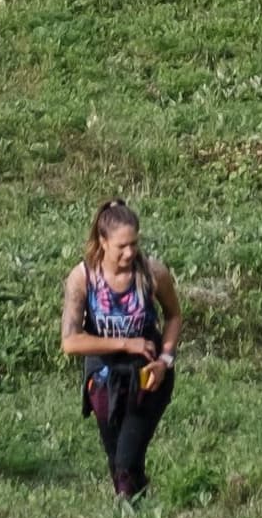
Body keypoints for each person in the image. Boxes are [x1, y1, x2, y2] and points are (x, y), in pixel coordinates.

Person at [62, 194, 180, 502]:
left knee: (127, 459)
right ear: (103, 241)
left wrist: (165, 360)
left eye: (134, 244)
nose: (130, 252)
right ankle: (143, 515)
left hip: (148, 378)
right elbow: (71, 342)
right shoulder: (83, 278)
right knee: (119, 463)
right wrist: (125, 343)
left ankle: (127, 516)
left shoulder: (153, 273)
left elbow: (174, 316)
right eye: (122, 246)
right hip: (102, 378)